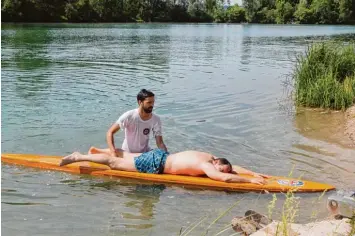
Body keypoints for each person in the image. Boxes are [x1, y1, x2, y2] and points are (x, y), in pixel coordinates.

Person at [59, 149, 268, 185]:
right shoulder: (206, 164)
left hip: (161, 158)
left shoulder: (210, 156)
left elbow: (230, 170)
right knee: (115, 164)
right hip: (156, 163)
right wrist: (250, 181)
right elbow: (224, 178)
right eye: (220, 168)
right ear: (215, 163)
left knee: (124, 158)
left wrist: (251, 172)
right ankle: (79, 156)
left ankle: (94, 152)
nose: (220, 170)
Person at [95, 89, 168, 157]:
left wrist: (166, 156)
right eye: (149, 102)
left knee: (158, 154)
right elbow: (110, 132)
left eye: (153, 102)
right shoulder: (129, 116)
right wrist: (113, 152)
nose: (152, 105)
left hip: (144, 153)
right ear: (140, 102)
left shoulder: (156, 119)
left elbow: (160, 143)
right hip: (127, 153)